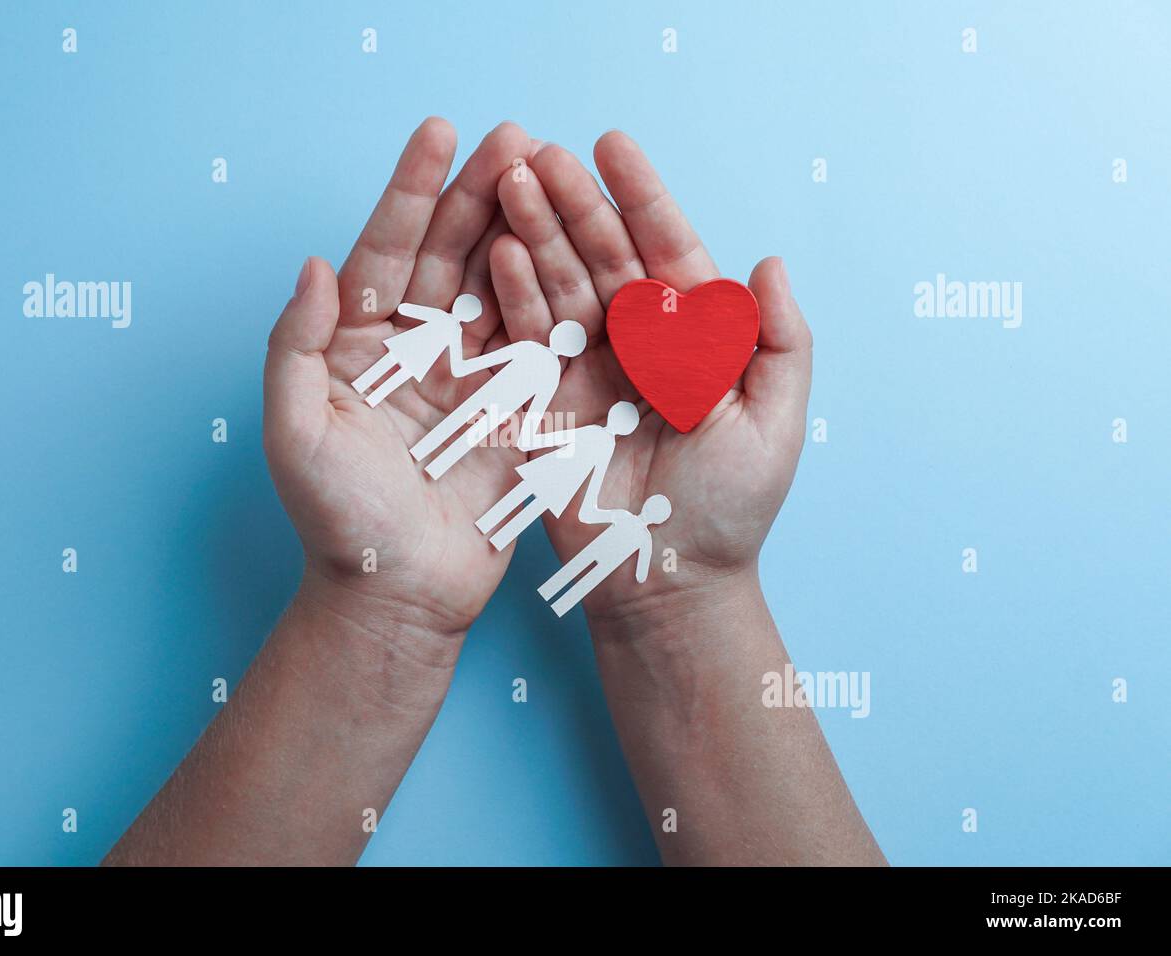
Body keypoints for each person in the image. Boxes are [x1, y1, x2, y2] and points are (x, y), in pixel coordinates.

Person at [102, 119, 886, 867]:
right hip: (491, 422)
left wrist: (685, 594)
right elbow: (497, 385)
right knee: (474, 455)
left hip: (517, 440)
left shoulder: (560, 388)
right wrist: (380, 601)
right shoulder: (544, 372)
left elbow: (542, 426)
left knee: (497, 473)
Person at [409, 319, 586, 479]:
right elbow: (536, 409)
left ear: (554, 334)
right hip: (502, 408)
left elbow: (488, 360)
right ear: (571, 353)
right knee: (470, 437)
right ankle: (436, 468)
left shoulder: (530, 348)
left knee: (455, 420)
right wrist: (528, 436)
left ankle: (421, 450)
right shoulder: (552, 373)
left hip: (489, 393)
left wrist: (462, 363)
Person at [475, 400, 639, 550]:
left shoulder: (597, 435)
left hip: (553, 469)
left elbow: (560, 438)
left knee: (519, 495)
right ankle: (497, 536)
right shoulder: (607, 446)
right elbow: (596, 477)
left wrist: (530, 441)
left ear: (612, 414)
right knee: (528, 507)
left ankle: (487, 525)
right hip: (563, 484)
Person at [538, 494, 670, 618]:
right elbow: (641, 574)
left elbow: (591, 516)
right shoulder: (645, 538)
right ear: (658, 520)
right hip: (605, 560)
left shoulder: (626, 518)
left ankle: (549, 596)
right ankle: (553, 602)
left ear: (646, 505)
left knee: (574, 576)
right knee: (581, 583)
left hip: (598, 553)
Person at [350, 293, 482, 407]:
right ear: (470, 319)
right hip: (421, 357)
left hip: (410, 346)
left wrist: (405, 307)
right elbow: (455, 357)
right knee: (398, 375)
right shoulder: (456, 331)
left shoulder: (442, 317)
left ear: (456, 305)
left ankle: (362, 385)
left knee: (389, 362)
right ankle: (373, 397)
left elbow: (407, 309)